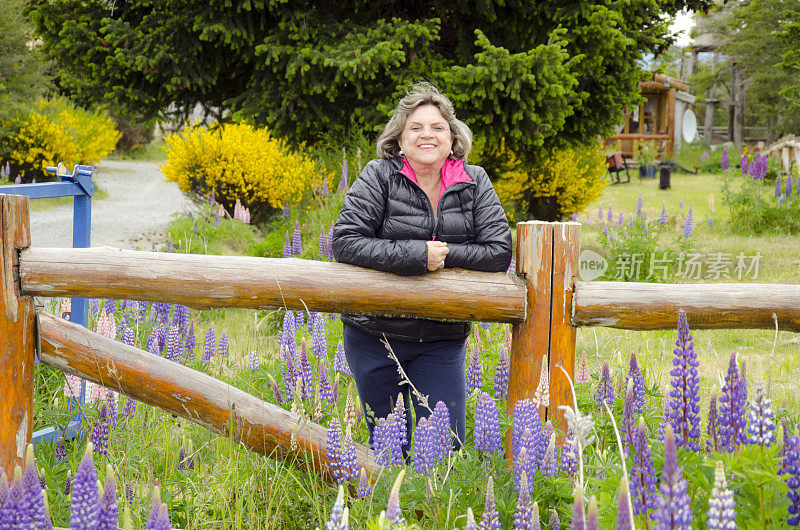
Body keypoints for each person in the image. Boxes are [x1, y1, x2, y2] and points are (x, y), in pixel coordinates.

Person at [330, 82, 512, 451]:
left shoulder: (474, 181)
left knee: (444, 448)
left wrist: (439, 256)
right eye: (416, 127)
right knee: (386, 448)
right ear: (399, 140)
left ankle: (433, 511)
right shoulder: (378, 174)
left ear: (452, 138)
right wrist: (415, 255)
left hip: (441, 337)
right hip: (374, 334)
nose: (427, 135)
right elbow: (346, 241)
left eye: (437, 127)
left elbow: (497, 252)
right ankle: (383, 509)